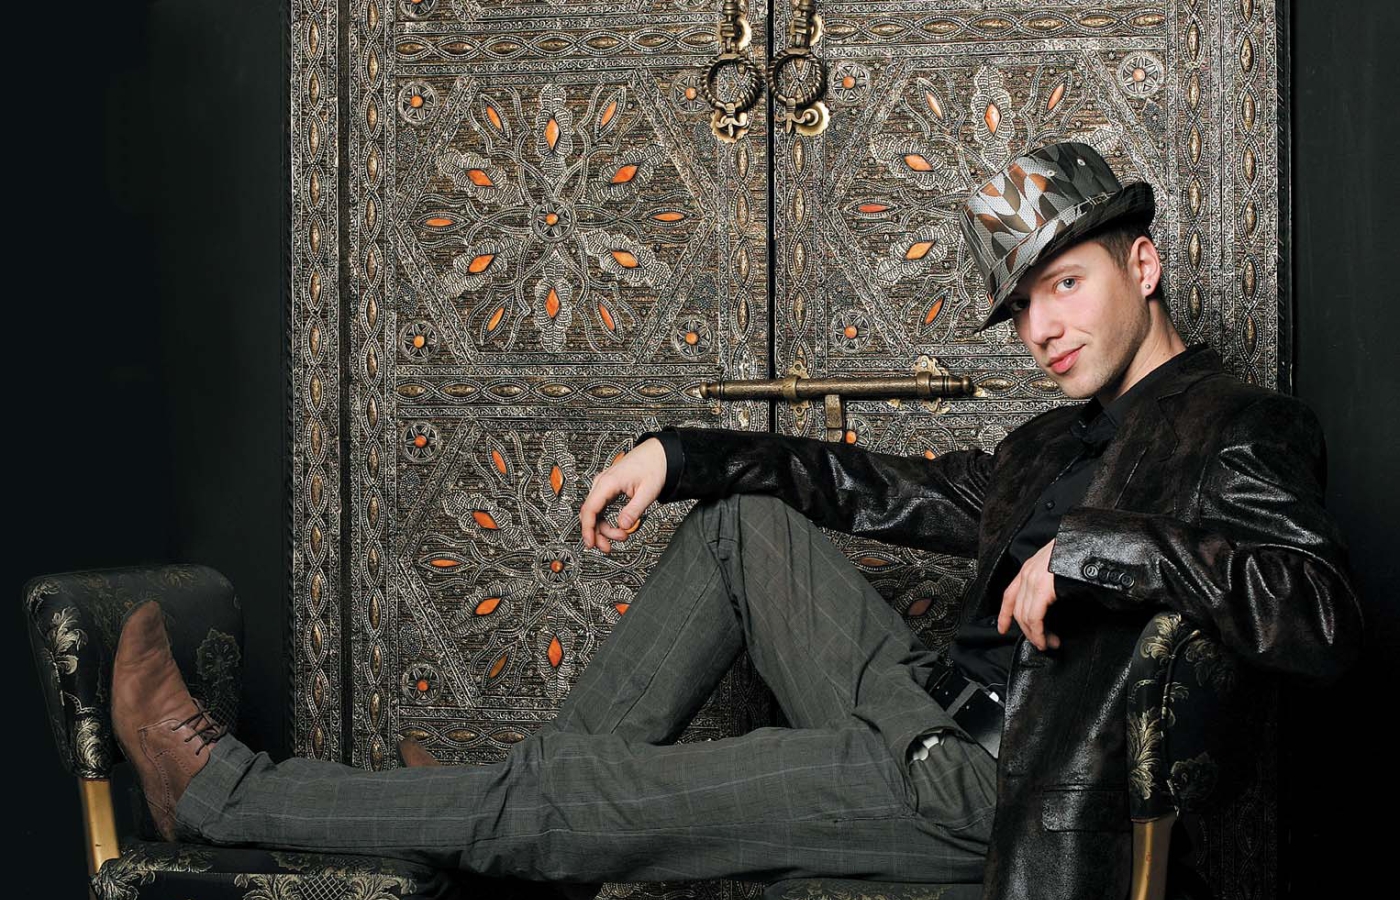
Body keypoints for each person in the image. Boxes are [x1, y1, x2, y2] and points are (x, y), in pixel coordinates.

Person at [110, 142, 1362, 899]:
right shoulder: (1049, 439)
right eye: (1023, 305)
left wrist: (1096, 548)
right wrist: (684, 455)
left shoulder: (1239, 424)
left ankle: (224, 795)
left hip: (989, 780)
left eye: (1066, 285)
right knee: (741, 524)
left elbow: (1319, 614)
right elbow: (875, 489)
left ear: (1142, 266)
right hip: (921, 700)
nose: (1042, 329)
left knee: (574, 803)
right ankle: (530, 819)